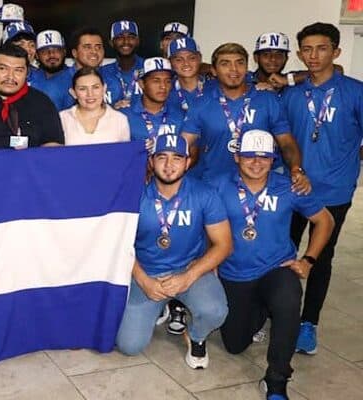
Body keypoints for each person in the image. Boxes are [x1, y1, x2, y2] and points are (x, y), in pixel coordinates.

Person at [209, 130, 334, 400]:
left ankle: (277, 379)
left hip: (276, 268)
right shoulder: (218, 185)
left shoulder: (289, 186)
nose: (256, 162)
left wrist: (308, 261)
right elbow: (202, 225)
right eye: (249, 156)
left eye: (264, 157)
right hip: (234, 274)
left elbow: (325, 221)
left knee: (288, 298)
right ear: (236, 157)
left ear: (273, 158)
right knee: (234, 344)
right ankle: (263, 309)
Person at [280, 22, 363, 355]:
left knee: (320, 257)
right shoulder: (292, 94)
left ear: (336, 52)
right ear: (300, 54)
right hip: (293, 187)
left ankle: (307, 322)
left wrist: (350, 162)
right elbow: (282, 141)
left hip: (334, 191)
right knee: (282, 251)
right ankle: (277, 312)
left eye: (322, 48)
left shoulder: (356, 92)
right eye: (307, 49)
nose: (314, 55)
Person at [115, 134, 231, 369]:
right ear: (151, 161)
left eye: (177, 158)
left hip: (188, 269)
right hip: (147, 271)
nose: (169, 165)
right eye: (162, 157)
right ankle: (165, 305)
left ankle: (196, 336)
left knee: (216, 311)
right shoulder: (133, 195)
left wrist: (188, 277)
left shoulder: (204, 194)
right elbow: (119, 244)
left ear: (188, 162)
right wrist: (143, 280)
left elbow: (224, 244)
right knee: (129, 345)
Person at [181, 43, 308, 192]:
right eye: (225, 64)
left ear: (247, 67)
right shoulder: (201, 103)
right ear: (214, 71)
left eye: (239, 63)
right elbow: (184, 145)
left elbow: (286, 142)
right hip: (214, 186)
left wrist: (296, 169)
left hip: (258, 187)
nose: (234, 69)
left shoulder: (268, 99)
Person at [0, 44, 64, 149]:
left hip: (31, 164)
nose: (10, 76)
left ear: (27, 73)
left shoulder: (41, 102)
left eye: (18, 70)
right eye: (3, 68)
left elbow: (53, 145)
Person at [121, 57, 186, 153]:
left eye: (168, 81)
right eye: (156, 80)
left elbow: (190, 152)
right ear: (142, 84)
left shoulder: (181, 115)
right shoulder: (123, 116)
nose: (163, 86)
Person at [59, 67, 129, 145]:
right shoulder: (62, 119)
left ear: (104, 89)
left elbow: (124, 154)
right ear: (73, 93)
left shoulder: (120, 120)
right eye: (82, 89)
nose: (90, 94)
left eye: (95, 87)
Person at [101, 20, 144, 106]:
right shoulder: (101, 73)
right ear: (111, 43)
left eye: (131, 37)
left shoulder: (149, 69)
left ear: (138, 41)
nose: (126, 42)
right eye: (120, 37)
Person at [30, 30, 74, 111]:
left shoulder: (76, 76)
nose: (51, 54)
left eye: (56, 50)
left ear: (64, 52)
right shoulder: (29, 76)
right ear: (37, 55)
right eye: (44, 51)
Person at [167, 37, 214, 113]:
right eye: (179, 60)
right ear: (170, 62)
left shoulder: (213, 87)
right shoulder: (165, 91)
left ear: (200, 59)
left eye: (192, 58)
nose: (186, 63)